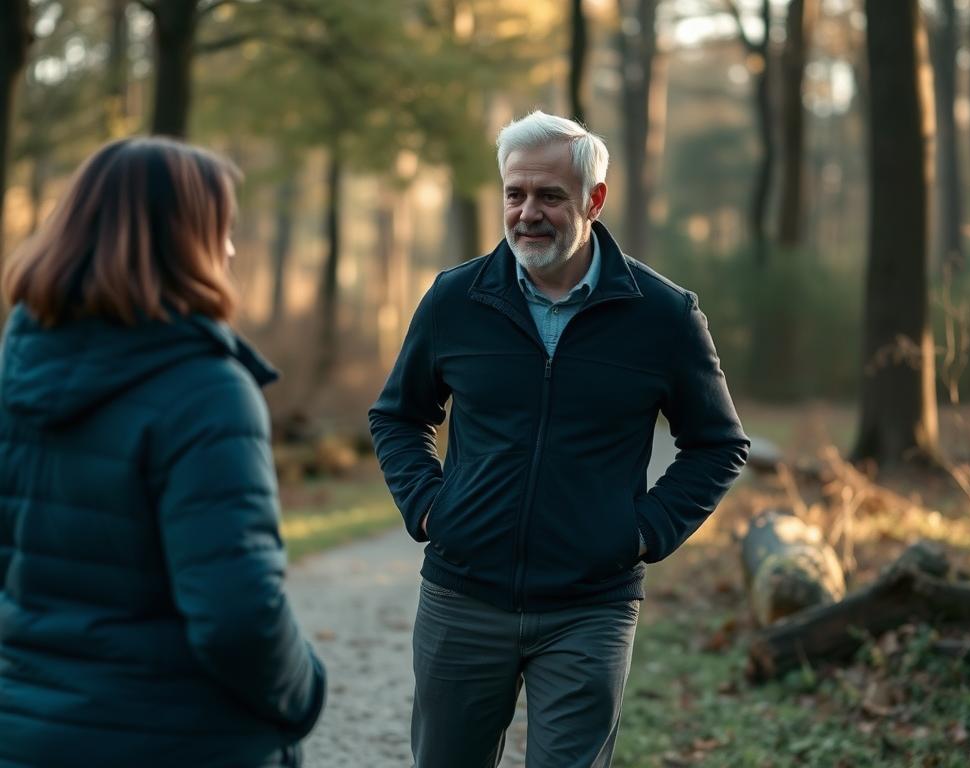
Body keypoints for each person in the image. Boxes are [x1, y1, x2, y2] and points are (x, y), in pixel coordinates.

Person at [368, 111, 749, 767]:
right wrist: (430, 507)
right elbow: (398, 416)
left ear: (594, 200)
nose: (527, 213)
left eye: (550, 196)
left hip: (590, 608)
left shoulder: (663, 316)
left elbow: (717, 444)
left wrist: (644, 531)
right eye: (515, 194)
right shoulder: (455, 299)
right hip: (463, 597)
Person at [0, 137, 325, 767]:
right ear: (186, 242)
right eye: (222, 230)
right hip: (174, 738)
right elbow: (237, 615)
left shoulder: (17, 374)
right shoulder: (206, 391)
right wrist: (303, 694)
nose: (230, 250)